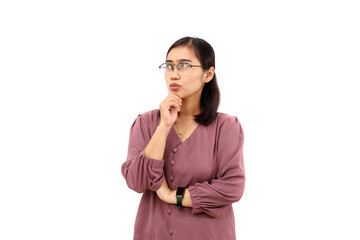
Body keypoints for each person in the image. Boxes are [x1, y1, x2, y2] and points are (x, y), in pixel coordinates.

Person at [121, 36, 245, 240]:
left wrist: (173, 196)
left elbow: (232, 187)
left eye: (184, 66)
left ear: (208, 74)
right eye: (169, 67)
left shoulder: (226, 127)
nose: (174, 75)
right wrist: (163, 127)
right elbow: (136, 181)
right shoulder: (145, 123)